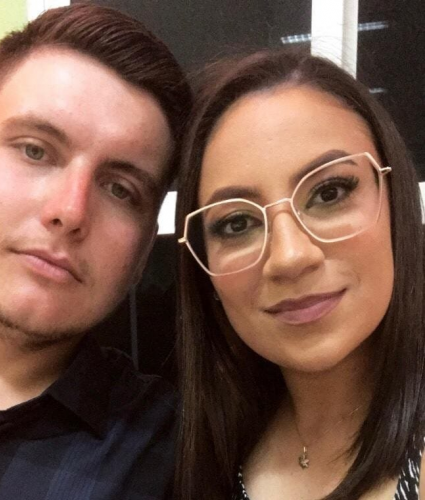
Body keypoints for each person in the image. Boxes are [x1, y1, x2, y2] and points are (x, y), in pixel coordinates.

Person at [0, 3, 191, 499]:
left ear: (142, 252)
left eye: (120, 190)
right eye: (35, 150)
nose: (70, 211)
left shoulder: (171, 459)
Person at [175, 49, 425, 500]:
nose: (290, 257)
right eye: (237, 223)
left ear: (395, 201)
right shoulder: (201, 454)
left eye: (329, 193)